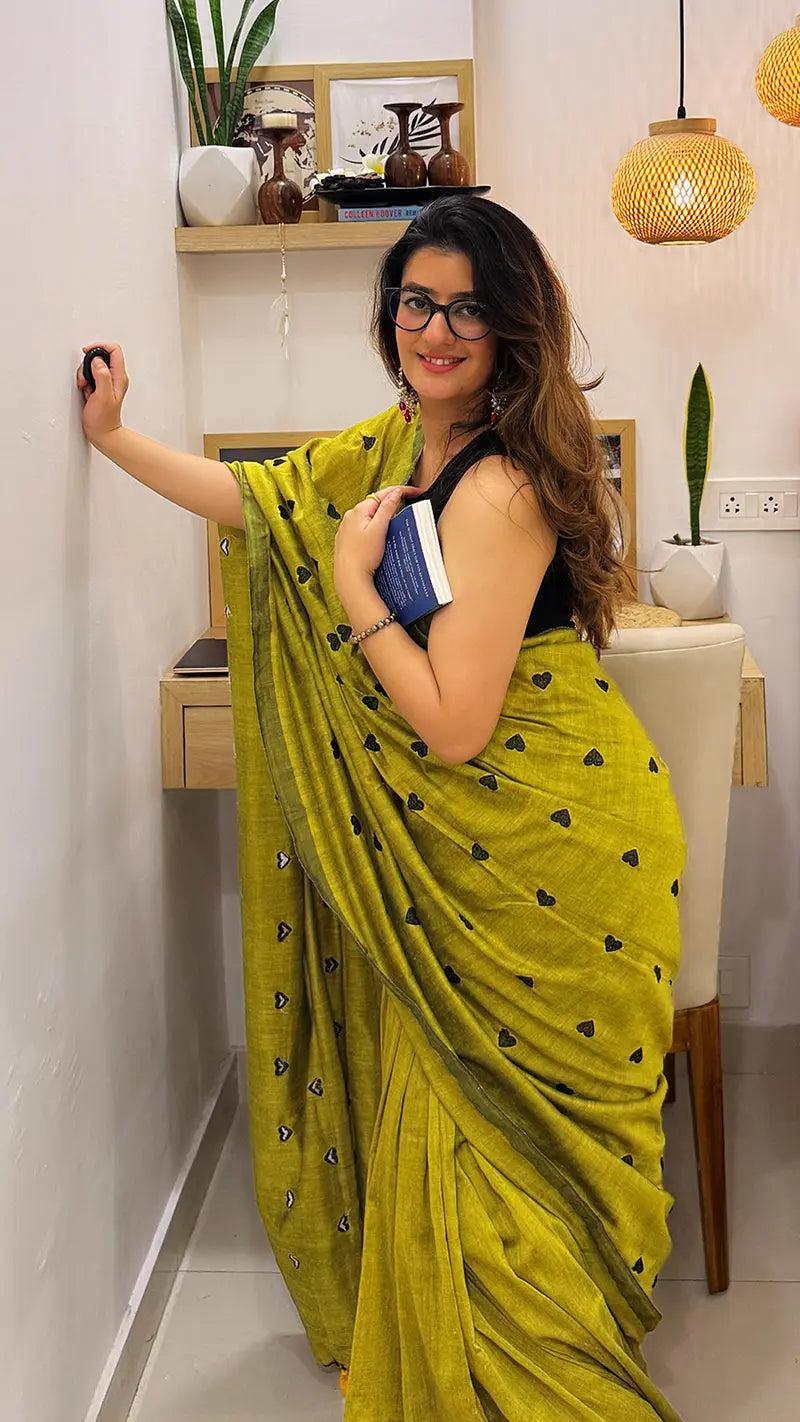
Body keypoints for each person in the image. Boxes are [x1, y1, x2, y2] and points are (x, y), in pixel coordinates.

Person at [78, 196, 686, 1421]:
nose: (436, 328)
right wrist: (114, 441)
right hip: (461, 847)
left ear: (511, 324)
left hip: (542, 850)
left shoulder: (501, 483)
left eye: (466, 306)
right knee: (451, 1103)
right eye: (416, 301)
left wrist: (357, 584)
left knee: (510, 1133)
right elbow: (266, 502)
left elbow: (455, 724)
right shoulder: (390, 448)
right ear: (389, 314)